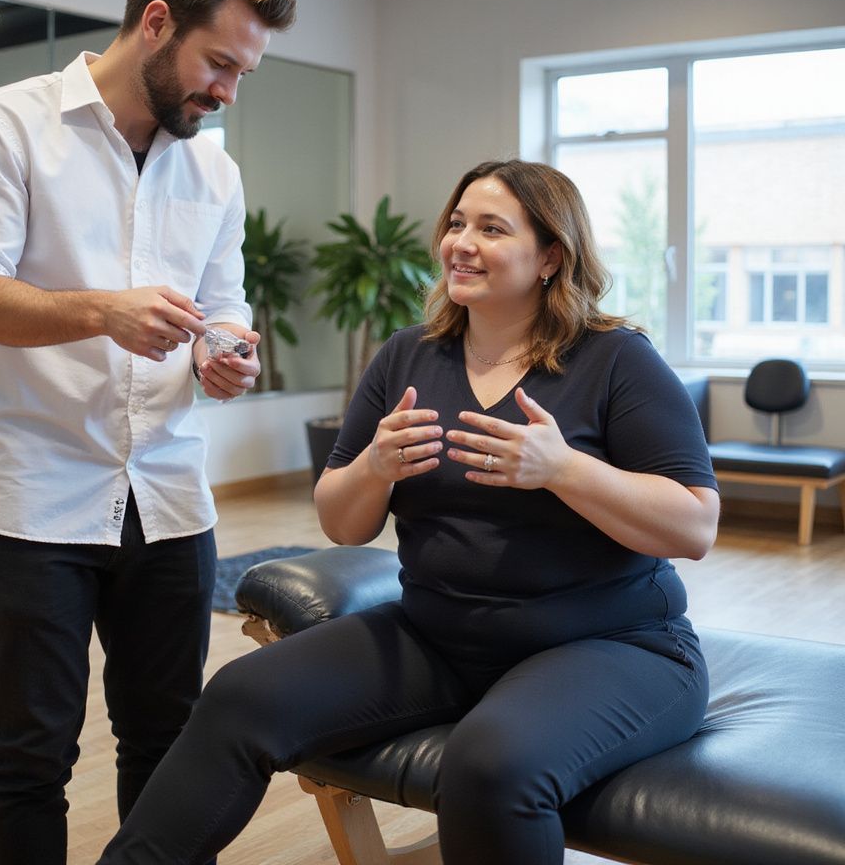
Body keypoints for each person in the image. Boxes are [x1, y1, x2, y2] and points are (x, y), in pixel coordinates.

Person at [95, 159, 720, 865]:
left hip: (614, 646)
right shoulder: (408, 356)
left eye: (491, 228)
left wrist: (564, 469)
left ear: (551, 256)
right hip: (438, 635)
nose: (462, 242)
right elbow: (342, 521)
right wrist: (374, 467)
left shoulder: (615, 360)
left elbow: (694, 526)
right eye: (457, 224)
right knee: (241, 697)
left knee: (490, 764)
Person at [0, 0, 296, 865]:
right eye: (220, 64)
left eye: (243, 73)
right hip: (31, 498)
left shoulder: (214, 170)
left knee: (173, 750)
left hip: (169, 498)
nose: (227, 92)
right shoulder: (4, 124)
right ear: (156, 23)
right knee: (29, 755)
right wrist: (101, 311)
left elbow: (224, 308)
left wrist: (229, 356)